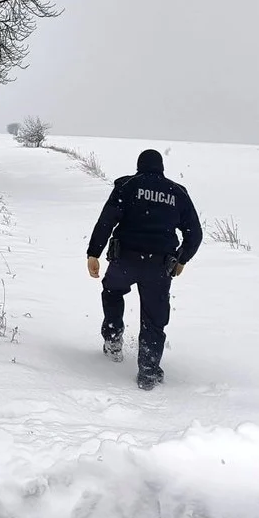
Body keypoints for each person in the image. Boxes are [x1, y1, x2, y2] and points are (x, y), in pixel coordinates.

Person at [86, 149, 203, 390]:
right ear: (161, 167)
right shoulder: (177, 193)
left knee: (112, 291)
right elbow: (195, 233)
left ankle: (113, 337)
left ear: (139, 166)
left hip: (124, 261)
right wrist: (182, 259)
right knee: (153, 318)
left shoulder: (127, 186)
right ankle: (148, 373)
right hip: (158, 268)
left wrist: (93, 253)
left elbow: (106, 221)